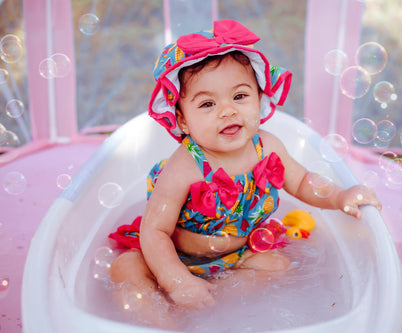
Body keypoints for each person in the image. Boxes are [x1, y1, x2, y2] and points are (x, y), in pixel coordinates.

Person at [108, 19, 381, 326]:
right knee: (125, 268)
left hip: (239, 255)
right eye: (208, 103)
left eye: (239, 96)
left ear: (260, 98)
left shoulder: (268, 146)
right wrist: (175, 279)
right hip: (176, 255)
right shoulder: (185, 165)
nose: (228, 110)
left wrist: (340, 195)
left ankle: (212, 304)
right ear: (182, 121)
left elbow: (304, 182)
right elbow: (154, 231)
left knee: (277, 265)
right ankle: (161, 321)